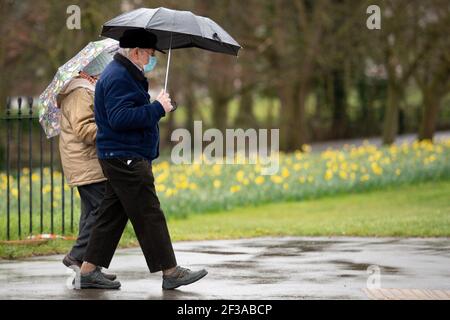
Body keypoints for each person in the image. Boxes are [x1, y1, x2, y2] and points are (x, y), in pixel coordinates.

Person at [78, 29, 207, 290]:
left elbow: (128, 111)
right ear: (136, 51)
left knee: (111, 216)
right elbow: (120, 119)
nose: (151, 58)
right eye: (149, 53)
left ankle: (88, 271)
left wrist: (158, 105)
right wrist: (158, 108)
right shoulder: (120, 77)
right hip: (125, 157)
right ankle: (170, 272)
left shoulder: (125, 74)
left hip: (120, 155)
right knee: (150, 213)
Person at [57, 51, 116, 281]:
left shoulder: (84, 91)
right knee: (102, 211)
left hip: (86, 162)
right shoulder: (81, 93)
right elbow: (84, 130)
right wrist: (109, 129)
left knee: (91, 213)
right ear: (94, 72)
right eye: (103, 73)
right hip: (86, 163)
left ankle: (89, 269)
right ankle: (77, 256)